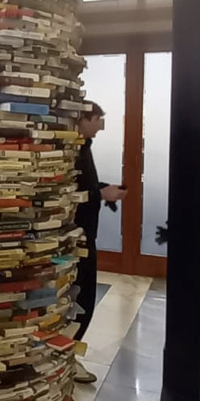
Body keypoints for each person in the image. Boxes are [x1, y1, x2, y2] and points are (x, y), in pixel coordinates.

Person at [74, 102, 126, 384]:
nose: (101, 127)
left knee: (84, 296)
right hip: (76, 237)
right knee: (80, 297)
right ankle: (69, 355)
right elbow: (71, 193)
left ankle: (70, 353)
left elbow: (85, 188)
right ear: (84, 119)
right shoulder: (73, 150)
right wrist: (101, 194)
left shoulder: (84, 147)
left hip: (86, 234)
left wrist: (103, 190)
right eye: (97, 120)